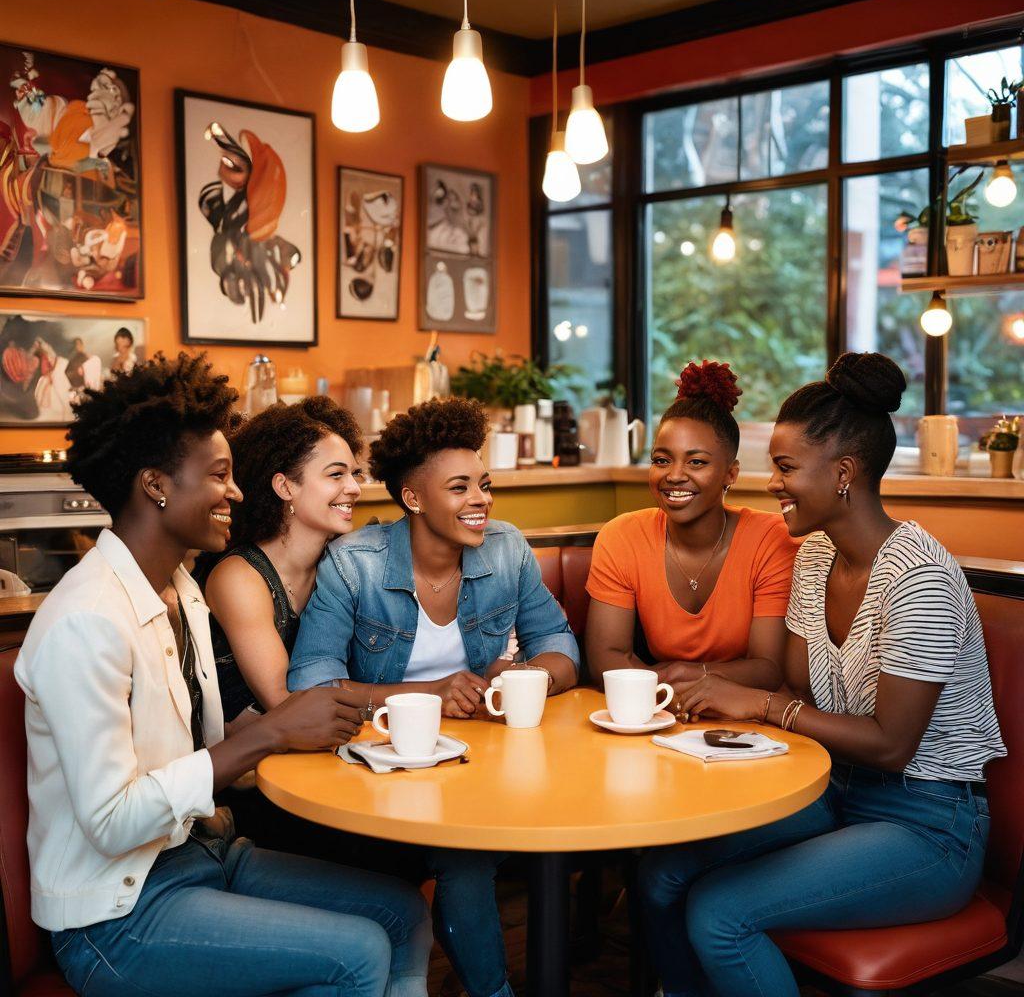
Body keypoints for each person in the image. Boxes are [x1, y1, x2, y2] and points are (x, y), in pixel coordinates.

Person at [15, 353, 431, 997]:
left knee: (400, 912)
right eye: (218, 475)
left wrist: (317, 729)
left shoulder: (181, 588)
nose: (237, 492)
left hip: (200, 855)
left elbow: (200, 735)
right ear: (156, 485)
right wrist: (268, 735)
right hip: (116, 916)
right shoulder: (86, 621)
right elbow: (111, 820)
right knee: (358, 953)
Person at [638, 352, 1006, 997]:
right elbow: (803, 694)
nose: (772, 483)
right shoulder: (815, 559)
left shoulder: (917, 578)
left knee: (720, 913)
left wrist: (756, 705)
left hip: (927, 823)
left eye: (785, 468)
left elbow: (892, 744)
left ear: (843, 472)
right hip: (833, 793)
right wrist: (716, 697)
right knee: (661, 872)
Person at [289, 396, 580, 997]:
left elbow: (561, 645)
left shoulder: (506, 549)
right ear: (413, 498)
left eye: (484, 484)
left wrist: (524, 678)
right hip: (384, 768)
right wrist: (429, 694)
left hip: (484, 761)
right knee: (464, 859)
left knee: (480, 853)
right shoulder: (355, 565)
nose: (481, 500)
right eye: (460, 488)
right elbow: (311, 686)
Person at [200, 397, 367, 853]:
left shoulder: (341, 565)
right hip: (249, 794)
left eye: (355, 474)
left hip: (319, 763)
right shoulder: (240, 576)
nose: (354, 488)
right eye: (336, 475)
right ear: (285, 487)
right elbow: (286, 704)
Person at [586, 360, 798, 703]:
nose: (674, 475)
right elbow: (605, 658)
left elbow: (768, 667)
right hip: (659, 713)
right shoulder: (622, 536)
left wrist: (697, 675)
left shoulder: (770, 540)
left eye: (696, 462)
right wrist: (665, 691)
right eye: (661, 460)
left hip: (745, 717)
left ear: (731, 474)